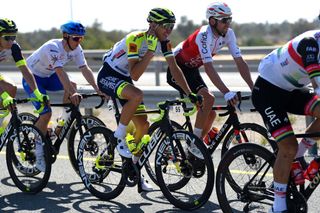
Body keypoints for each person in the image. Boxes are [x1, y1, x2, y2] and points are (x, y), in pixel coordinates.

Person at [97, 8, 201, 192]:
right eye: (166, 26)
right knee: (137, 95)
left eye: (172, 26)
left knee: (143, 126)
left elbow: (175, 69)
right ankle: (118, 136)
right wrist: (150, 52)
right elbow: (135, 75)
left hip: (124, 79)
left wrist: (188, 93)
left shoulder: (165, 43)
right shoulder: (134, 39)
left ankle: (134, 170)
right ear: (153, 25)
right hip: (108, 75)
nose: (169, 30)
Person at [252, 29, 320, 213]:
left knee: (294, 151)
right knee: (287, 147)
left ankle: (300, 153)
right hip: (268, 93)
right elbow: (317, 82)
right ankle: (278, 206)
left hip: (291, 91)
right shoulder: (310, 43)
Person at [166, 2, 254, 145]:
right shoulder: (204, 36)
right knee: (208, 98)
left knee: (210, 113)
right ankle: (193, 144)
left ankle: (198, 142)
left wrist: (253, 88)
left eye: (229, 19)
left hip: (191, 69)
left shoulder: (228, 34)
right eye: (224, 20)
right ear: (212, 21)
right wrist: (226, 92)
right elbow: (209, 68)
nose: (228, 24)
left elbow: (240, 62)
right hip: (177, 68)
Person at [23, 21, 105, 172]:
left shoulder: (76, 48)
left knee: (72, 84)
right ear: (65, 36)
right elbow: (60, 72)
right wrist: (72, 93)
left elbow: (85, 68)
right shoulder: (52, 47)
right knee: (46, 113)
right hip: (33, 79)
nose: (79, 41)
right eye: (76, 38)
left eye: (81, 38)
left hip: (49, 76)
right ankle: (39, 153)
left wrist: (97, 88)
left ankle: (62, 123)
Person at [0, 18, 47, 169]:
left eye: (14, 36)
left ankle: (0, 121)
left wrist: (37, 92)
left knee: (11, 88)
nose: (11, 40)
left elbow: (26, 70)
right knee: (5, 93)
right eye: (7, 37)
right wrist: (4, 97)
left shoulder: (13, 47)